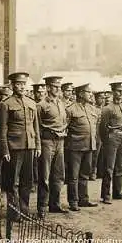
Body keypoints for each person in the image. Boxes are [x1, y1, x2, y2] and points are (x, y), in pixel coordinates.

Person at [0, 72, 41, 220]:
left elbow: (36, 128)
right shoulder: (6, 104)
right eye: (18, 84)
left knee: (27, 181)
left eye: (23, 84)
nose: (21, 87)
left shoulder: (31, 103)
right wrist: (4, 150)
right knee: (12, 182)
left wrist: (38, 146)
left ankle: (24, 211)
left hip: (30, 146)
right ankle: (14, 213)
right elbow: (2, 130)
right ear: (12, 85)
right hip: (14, 148)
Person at [36, 76, 68, 218]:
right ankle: (42, 207)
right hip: (47, 142)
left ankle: (54, 204)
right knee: (45, 176)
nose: (57, 89)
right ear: (48, 87)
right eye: (55, 86)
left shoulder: (60, 103)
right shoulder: (41, 105)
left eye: (59, 86)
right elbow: (36, 127)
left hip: (60, 142)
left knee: (59, 175)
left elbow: (64, 121)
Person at [65, 83, 99, 211]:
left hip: (89, 146)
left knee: (85, 174)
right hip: (75, 147)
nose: (91, 94)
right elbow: (65, 128)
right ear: (80, 93)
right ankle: (73, 201)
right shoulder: (70, 109)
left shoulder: (92, 109)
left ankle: (83, 199)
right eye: (88, 92)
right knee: (73, 176)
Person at [99, 82, 122, 204]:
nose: (120, 94)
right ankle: (106, 194)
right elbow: (102, 128)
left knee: (120, 166)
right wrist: (107, 140)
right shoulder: (107, 108)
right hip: (112, 138)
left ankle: (117, 192)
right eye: (118, 91)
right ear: (113, 92)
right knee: (109, 167)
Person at [90, 91, 106, 181]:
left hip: (103, 133)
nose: (103, 100)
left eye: (104, 98)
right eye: (100, 98)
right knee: (95, 154)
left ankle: (100, 171)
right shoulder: (93, 109)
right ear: (96, 99)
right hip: (96, 133)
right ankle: (92, 172)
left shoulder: (104, 109)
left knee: (102, 154)